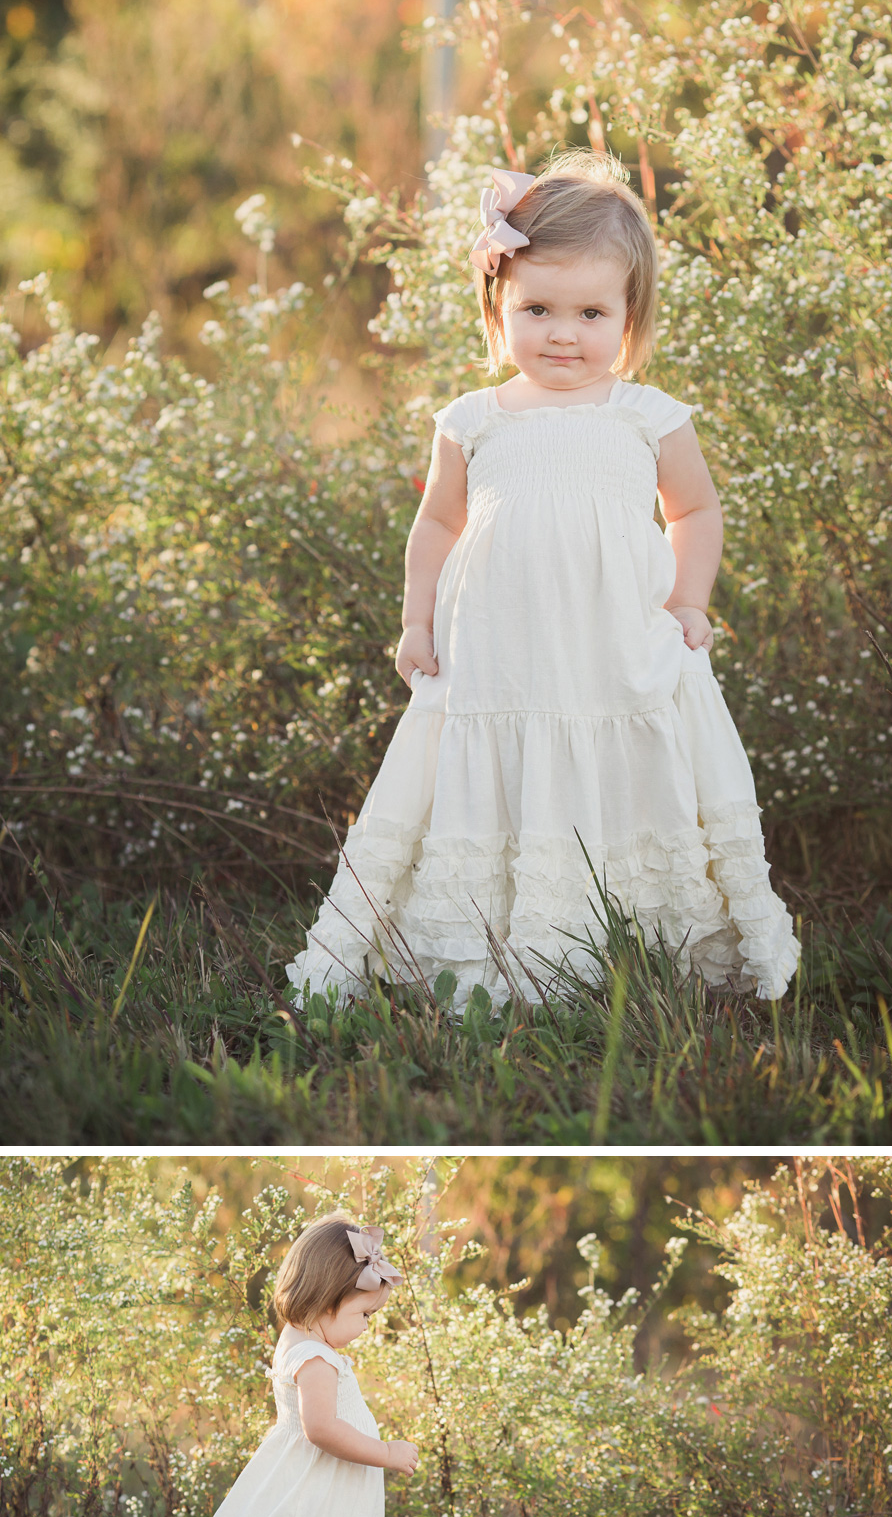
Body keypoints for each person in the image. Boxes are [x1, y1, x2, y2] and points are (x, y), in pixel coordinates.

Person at [288, 152, 800, 1011]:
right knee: (488, 786)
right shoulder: (473, 420)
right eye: (538, 310)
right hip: (499, 658)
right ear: (499, 307)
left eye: (591, 313)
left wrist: (687, 600)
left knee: (629, 772)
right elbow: (437, 525)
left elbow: (695, 510)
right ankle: (485, 943)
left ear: (630, 316)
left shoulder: (647, 416)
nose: (564, 334)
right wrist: (416, 622)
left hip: (613, 650)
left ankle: (640, 937)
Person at [60, 1218, 415, 1517]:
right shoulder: (316, 1359)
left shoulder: (300, 1337)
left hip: (307, 1486)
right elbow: (322, 1428)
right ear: (325, 1300)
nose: (368, 1327)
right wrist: (387, 1453)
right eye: (365, 1314)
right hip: (313, 1492)